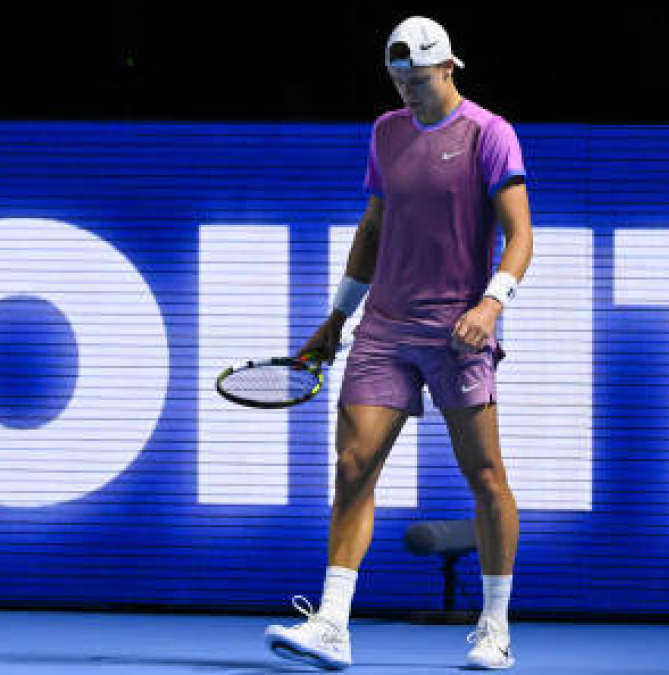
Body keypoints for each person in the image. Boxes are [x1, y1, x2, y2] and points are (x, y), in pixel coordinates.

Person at [264, 15, 533, 671]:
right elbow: (374, 227)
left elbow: (520, 236)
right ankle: (331, 623)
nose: (407, 91)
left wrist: (491, 302)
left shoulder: (489, 134)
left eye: (417, 78)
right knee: (353, 466)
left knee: (486, 475)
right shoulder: (386, 132)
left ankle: (494, 627)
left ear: (448, 68)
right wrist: (335, 318)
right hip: (384, 326)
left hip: (457, 327)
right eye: (397, 79)